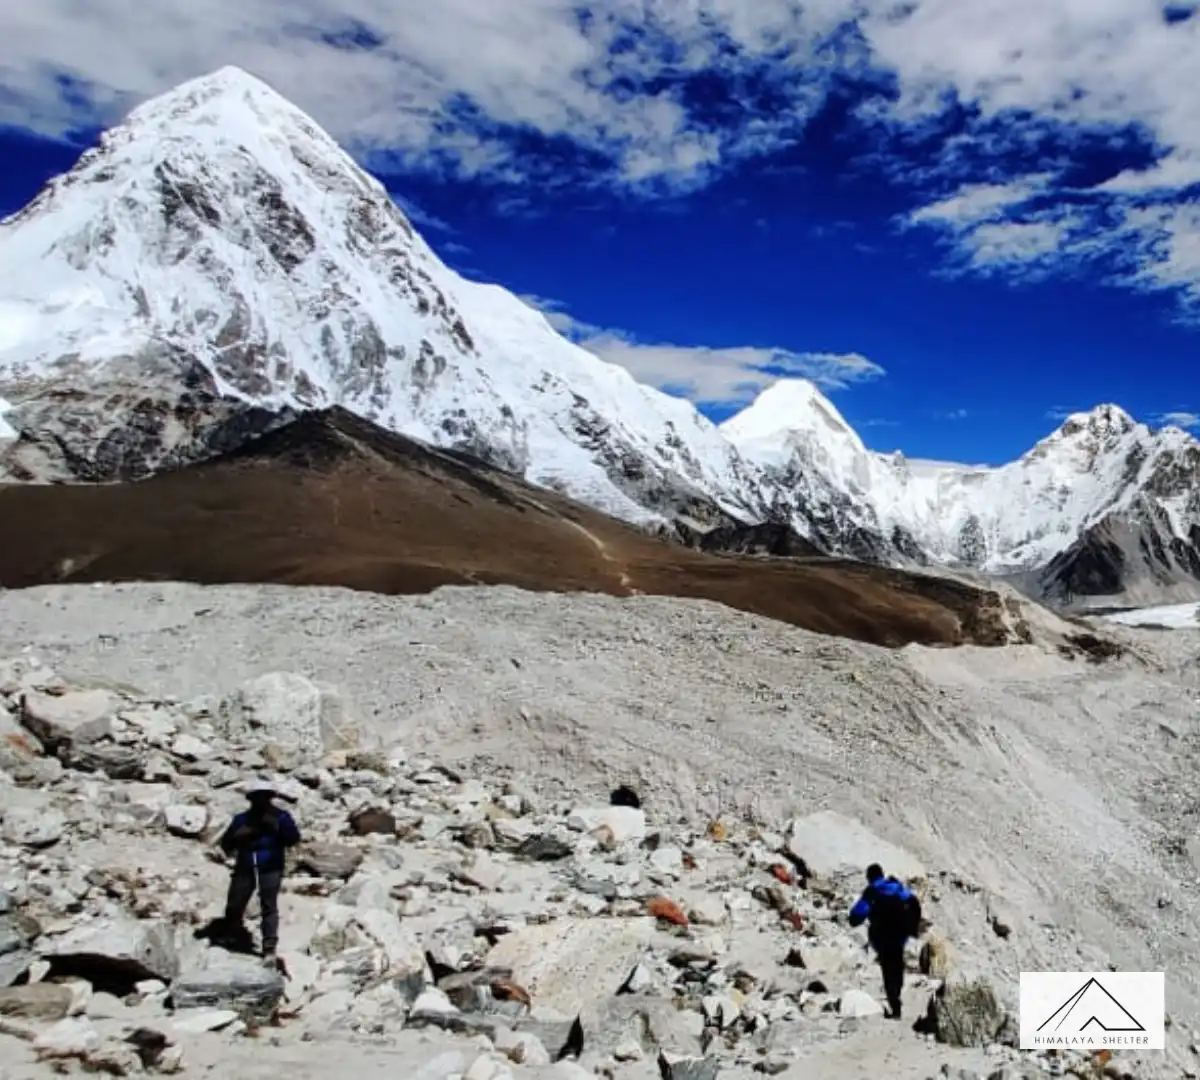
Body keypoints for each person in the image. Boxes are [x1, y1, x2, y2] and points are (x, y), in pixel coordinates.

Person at [218, 780, 301, 962]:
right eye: (257, 797)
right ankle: (231, 936)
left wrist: (277, 828)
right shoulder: (241, 819)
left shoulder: (281, 817)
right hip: (245, 866)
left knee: (268, 906)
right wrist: (244, 834)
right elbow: (226, 843)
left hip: (271, 867)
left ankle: (269, 947)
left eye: (264, 797)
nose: (261, 801)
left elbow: (293, 838)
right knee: (235, 903)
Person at [847, 862, 922, 1019]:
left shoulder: (871, 892)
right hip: (900, 935)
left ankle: (895, 1003)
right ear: (882, 874)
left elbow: (858, 913)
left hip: (881, 937)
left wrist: (853, 920)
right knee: (897, 965)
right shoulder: (896, 887)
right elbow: (913, 902)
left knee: (888, 969)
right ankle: (897, 994)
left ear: (869, 877)